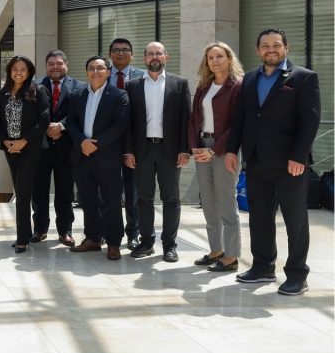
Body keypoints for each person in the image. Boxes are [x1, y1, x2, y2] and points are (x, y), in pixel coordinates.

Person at [226, 28, 321, 296]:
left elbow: (310, 121)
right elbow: (241, 118)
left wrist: (299, 156)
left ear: (286, 48)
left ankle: (297, 275)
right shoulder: (249, 79)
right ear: (258, 50)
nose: (271, 49)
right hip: (256, 160)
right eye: (265, 45)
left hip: (290, 163)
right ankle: (263, 267)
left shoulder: (303, 77)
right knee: (260, 217)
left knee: (295, 220)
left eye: (276, 45)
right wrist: (232, 150)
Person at [124, 42, 191, 262]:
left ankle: (170, 245)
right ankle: (146, 242)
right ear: (144, 58)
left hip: (169, 150)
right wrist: (128, 151)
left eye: (159, 53)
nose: (155, 57)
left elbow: (186, 119)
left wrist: (185, 150)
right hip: (142, 150)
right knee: (143, 198)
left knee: (171, 198)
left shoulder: (179, 83)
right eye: (151, 54)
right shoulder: (132, 85)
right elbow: (128, 123)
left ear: (166, 57)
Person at [188, 41, 243, 272]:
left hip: (225, 149)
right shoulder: (204, 85)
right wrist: (194, 147)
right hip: (203, 147)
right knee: (209, 202)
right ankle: (216, 250)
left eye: (219, 56)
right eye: (210, 57)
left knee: (226, 203)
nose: (215, 61)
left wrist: (214, 150)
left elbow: (238, 124)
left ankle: (231, 256)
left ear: (229, 59)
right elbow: (193, 119)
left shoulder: (238, 85)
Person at [69, 56, 130, 261]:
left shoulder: (119, 95)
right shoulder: (76, 95)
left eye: (100, 68)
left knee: (112, 202)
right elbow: (71, 123)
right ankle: (93, 238)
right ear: (87, 72)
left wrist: (95, 144)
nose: (95, 71)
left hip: (107, 156)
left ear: (108, 72)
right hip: (82, 156)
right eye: (91, 68)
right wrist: (82, 142)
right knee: (87, 200)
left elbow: (120, 125)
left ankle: (113, 243)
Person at [0, 55, 50, 254]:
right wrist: (5, 141)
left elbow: (43, 120)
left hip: (30, 148)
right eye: (15, 69)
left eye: (23, 70)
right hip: (10, 148)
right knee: (20, 191)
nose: (18, 73)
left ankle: (22, 239)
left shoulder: (38, 90)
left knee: (23, 190)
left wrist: (24, 141)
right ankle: (25, 233)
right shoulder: (2, 93)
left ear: (29, 73)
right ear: (9, 71)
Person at [33, 50, 84, 247]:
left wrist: (61, 126)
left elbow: (80, 114)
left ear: (66, 65)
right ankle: (40, 229)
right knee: (39, 192)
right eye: (51, 64)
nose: (55, 67)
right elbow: (32, 114)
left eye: (59, 63)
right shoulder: (35, 86)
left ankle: (65, 231)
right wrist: (47, 128)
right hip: (40, 149)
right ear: (46, 66)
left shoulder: (79, 87)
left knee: (65, 193)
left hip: (67, 148)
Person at [108, 37, 144, 249]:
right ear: (110, 54)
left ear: (132, 54)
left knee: (133, 191)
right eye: (116, 50)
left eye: (125, 50)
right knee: (106, 191)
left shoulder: (143, 76)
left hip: (135, 143)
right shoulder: (101, 75)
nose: (120, 53)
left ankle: (134, 233)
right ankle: (106, 231)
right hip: (108, 143)